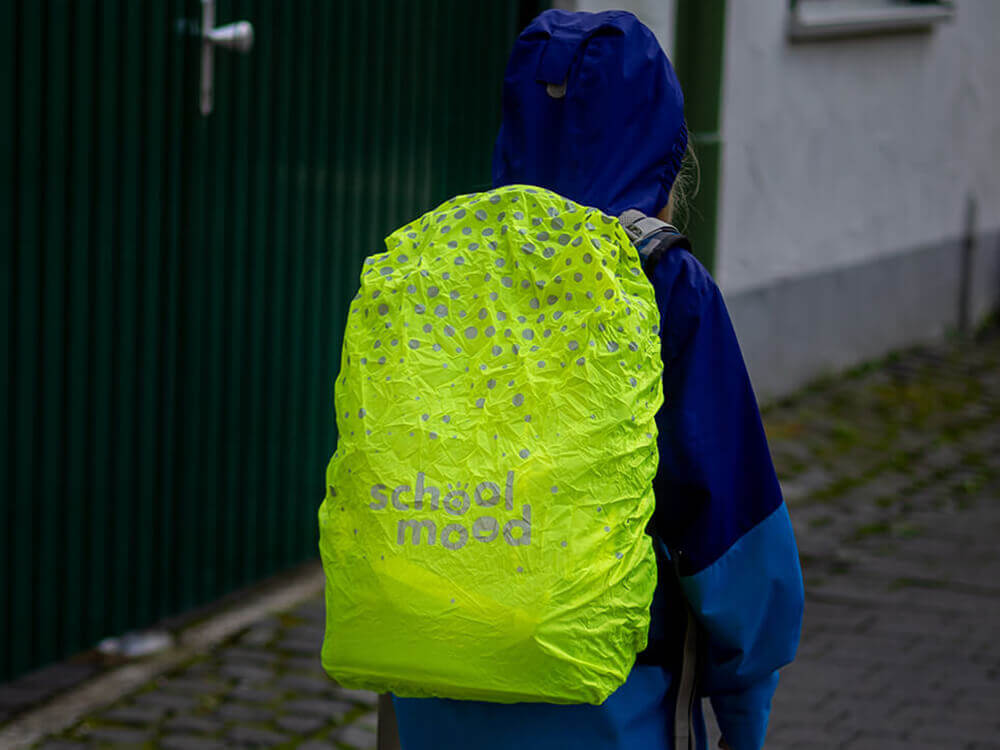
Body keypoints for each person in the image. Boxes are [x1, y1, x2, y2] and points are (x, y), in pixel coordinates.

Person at [391, 10, 804, 750]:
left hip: (431, 692)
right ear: (662, 155)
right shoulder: (660, 288)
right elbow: (731, 532)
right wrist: (744, 715)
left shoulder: (431, 270)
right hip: (610, 710)